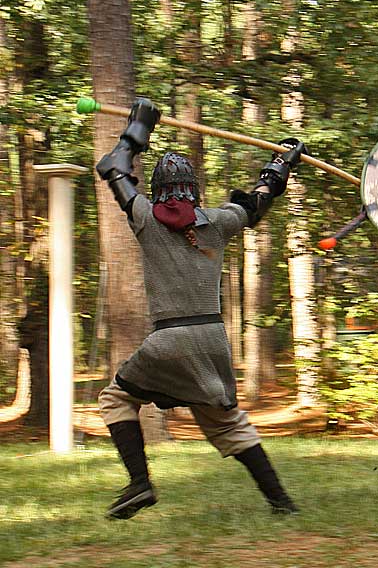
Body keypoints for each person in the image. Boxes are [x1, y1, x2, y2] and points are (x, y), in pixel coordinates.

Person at [96, 98, 302, 519]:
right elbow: (259, 200)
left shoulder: (145, 217)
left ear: (157, 190)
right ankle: (281, 503)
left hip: (169, 341)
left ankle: (139, 484)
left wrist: (138, 129)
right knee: (228, 424)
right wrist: (281, 164)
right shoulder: (219, 222)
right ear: (194, 189)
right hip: (211, 341)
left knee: (116, 398)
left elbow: (114, 168)